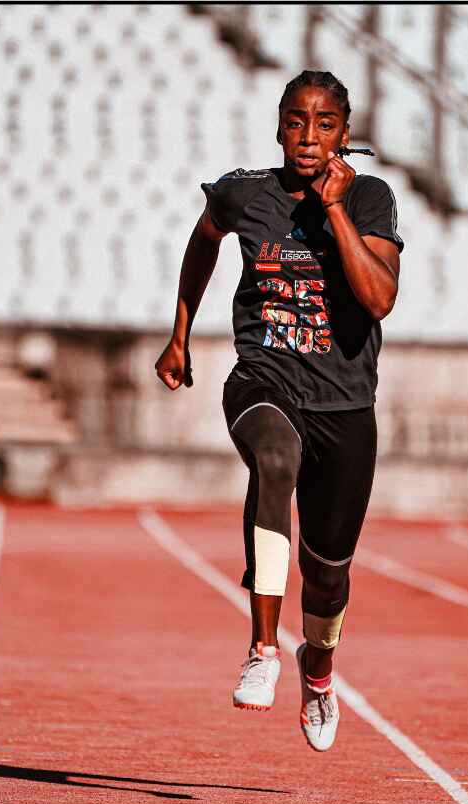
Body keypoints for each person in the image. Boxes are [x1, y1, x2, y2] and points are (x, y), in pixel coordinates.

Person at [154, 70, 402, 751]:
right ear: (279, 126)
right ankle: (262, 649)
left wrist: (337, 211)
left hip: (346, 405)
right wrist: (179, 332)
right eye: (296, 121)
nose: (308, 137)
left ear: (344, 135)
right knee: (273, 459)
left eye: (324, 124)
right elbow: (204, 240)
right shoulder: (244, 194)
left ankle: (315, 671)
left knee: (328, 577)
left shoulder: (372, 198)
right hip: (264, 378)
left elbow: (378, 299)